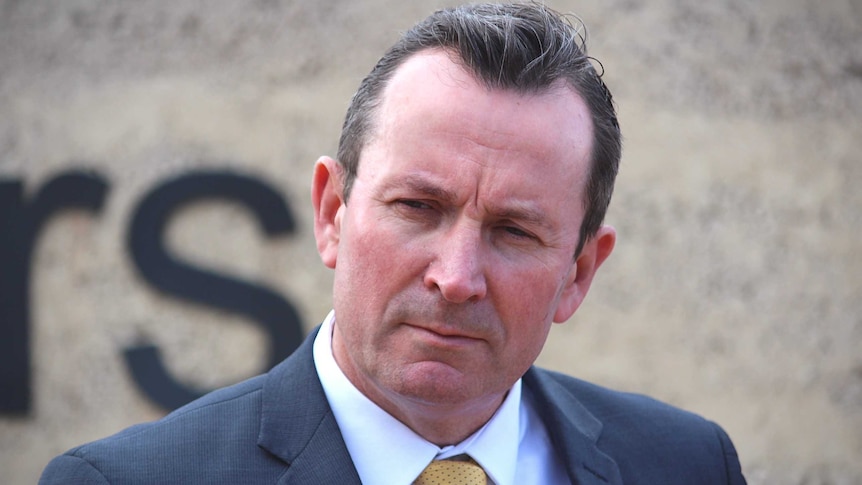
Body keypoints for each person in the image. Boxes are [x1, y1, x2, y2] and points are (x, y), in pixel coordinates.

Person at [40, 3, 746, 484]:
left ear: (579, 272)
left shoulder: (685, 464)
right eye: (418, 206)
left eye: (513, 230)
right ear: (331, 213)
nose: (456, 276)